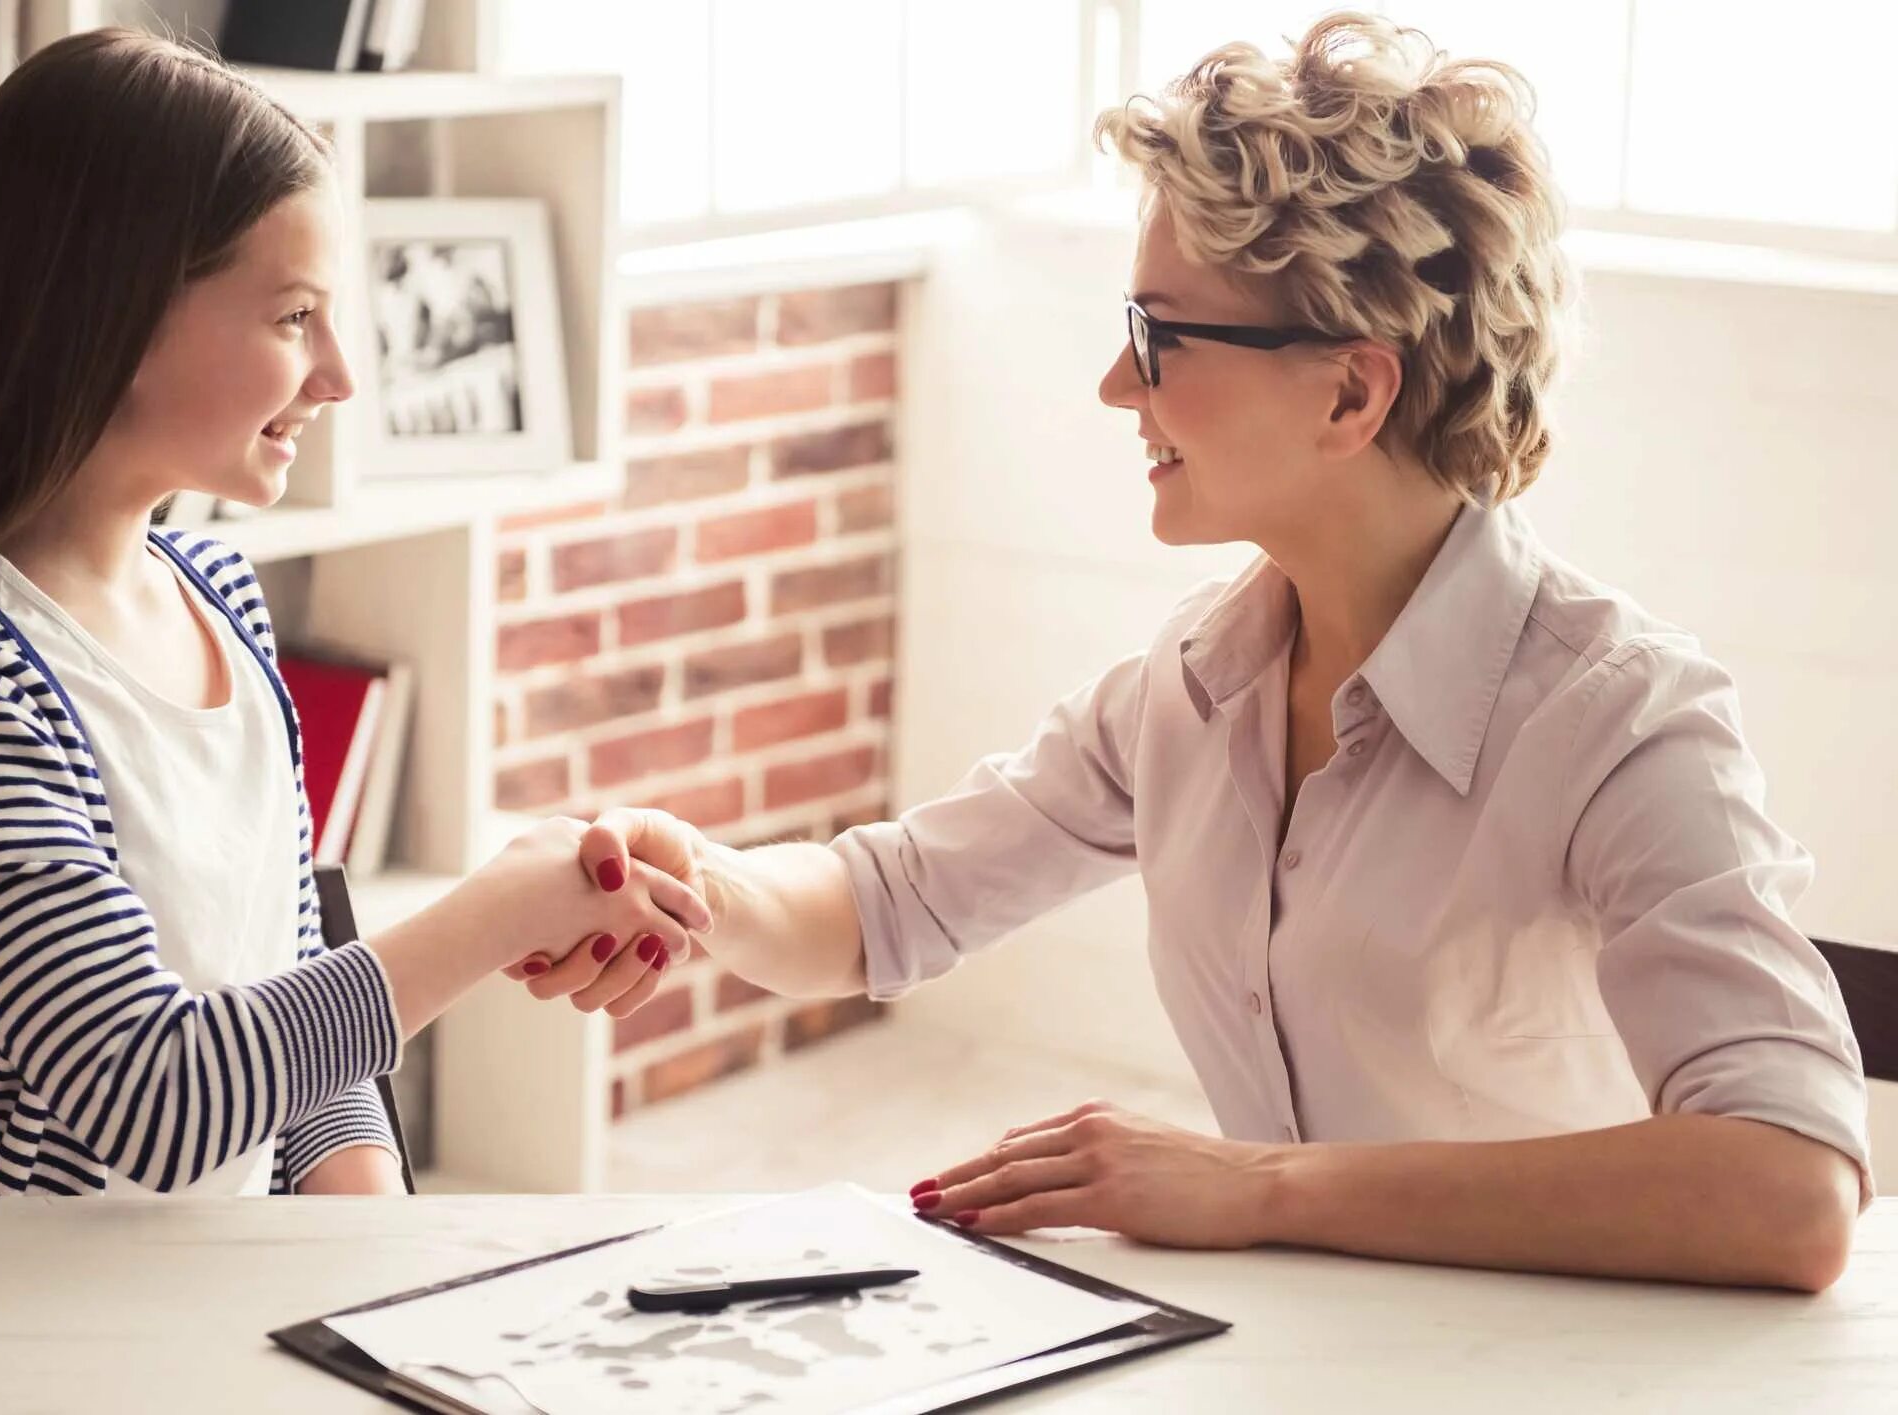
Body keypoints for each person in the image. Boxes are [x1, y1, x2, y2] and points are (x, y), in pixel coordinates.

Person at [520, 12, 1870, 1290]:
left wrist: (1261, 1187)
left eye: (1156, 336)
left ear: (1351, 387)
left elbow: (1794, 1188)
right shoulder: (1197, 680)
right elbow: (887, 904)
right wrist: (687, 877)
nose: (1119, 385)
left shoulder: (1621, 722)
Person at [0, 30, 705, 1197]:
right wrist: (494, 913)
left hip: (184, 1305)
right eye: (291, 317)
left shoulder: (220, 595)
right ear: (107, 317)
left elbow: (296, 995)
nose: (339, 374)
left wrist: (366, 1264)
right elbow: (148, 1096)